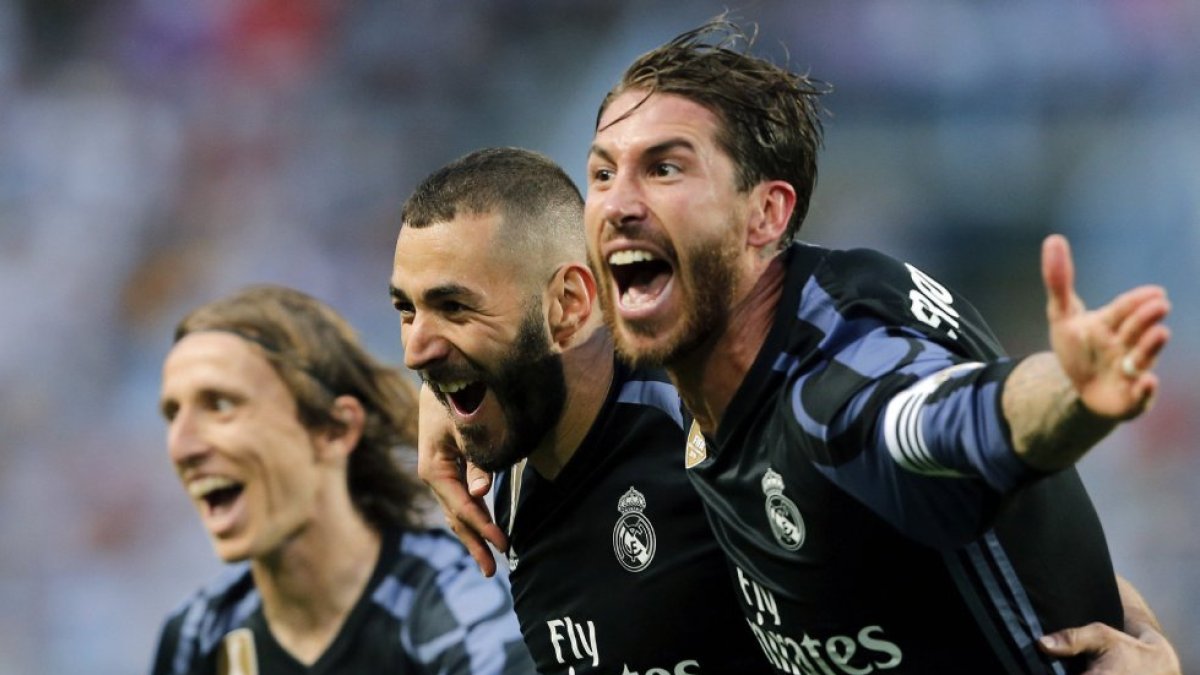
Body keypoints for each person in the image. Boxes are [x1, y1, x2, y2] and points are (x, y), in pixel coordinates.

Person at [579, 16, 1174, 674]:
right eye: (602, 173)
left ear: (766, 214)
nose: (617, 203)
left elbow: (944, 421)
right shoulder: (707, 358)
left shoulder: (833, 375)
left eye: (664, 169)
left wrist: (1070, 394)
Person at [390, 147, 768, 673]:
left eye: (454, 307)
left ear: (567, 304)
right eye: (407, 310)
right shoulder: (508, 447)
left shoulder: (705, 425)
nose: (414, 352)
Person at [150, 285, 533, 674]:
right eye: (172, 414)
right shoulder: (197, 638)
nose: (181, 447)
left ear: (336, 430)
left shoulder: (452, 606)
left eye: (220, 404)